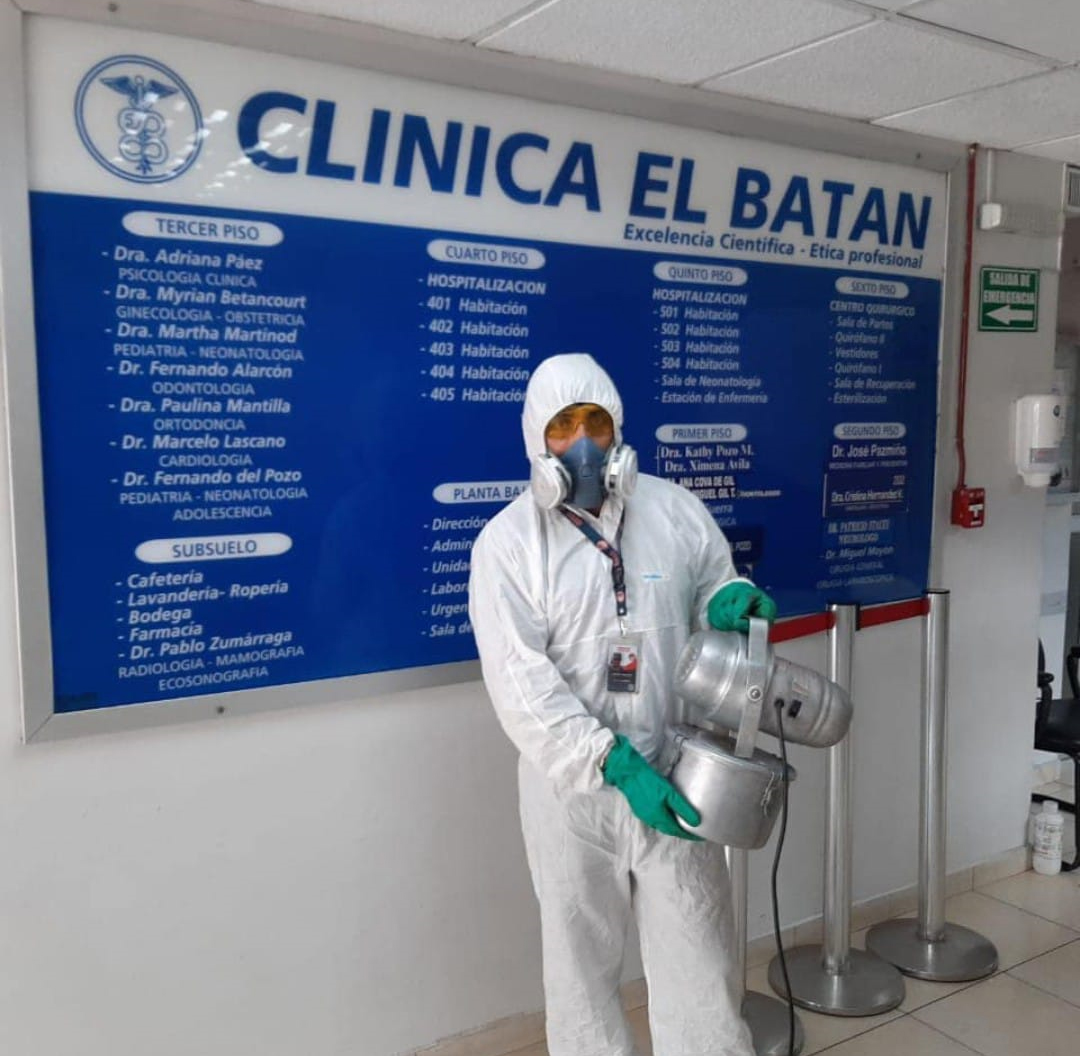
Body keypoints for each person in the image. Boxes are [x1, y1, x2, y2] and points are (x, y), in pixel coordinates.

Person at [468, 354, 776, 1056]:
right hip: (573, 798)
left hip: (676, 772)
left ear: (618, 429)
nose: (582, 442)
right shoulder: (508, 546)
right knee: (581, 971)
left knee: (701, 961)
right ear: (537, 439)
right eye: (563, 426)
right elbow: (521, 684)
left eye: (595, 422)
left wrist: (727, 602)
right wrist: (611, 762)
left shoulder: (674, 510)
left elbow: (713, 584)